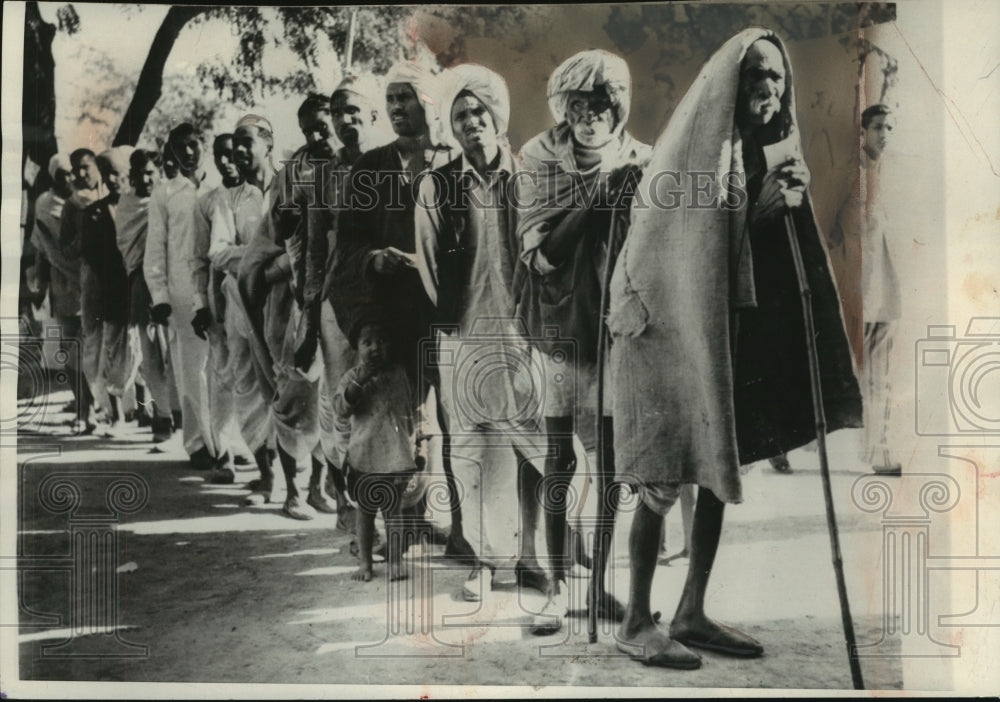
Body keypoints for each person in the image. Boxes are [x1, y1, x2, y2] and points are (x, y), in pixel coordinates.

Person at [606, 28, 862, 669]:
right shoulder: (694, 156)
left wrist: (783, 212)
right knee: (662, 475)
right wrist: (755, 213)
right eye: (755, 77)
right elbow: (678, 254)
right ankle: (637, 620)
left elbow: (767, 261)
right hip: (669, 337)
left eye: (776, 77)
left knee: (720, 467)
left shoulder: (767, 152)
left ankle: (690, 609)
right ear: (730, 86)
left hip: (724, 338)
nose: (768, 89)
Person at [517, 49, 649, 628]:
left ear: (618, 107)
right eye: (579, 104)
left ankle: (599, 588)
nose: (590, 115)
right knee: (558, 459)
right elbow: (541, 256)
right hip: (558, 326)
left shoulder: (643, 159)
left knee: (613, 465)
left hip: (617, 328)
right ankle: (552, 587)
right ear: (563, 108)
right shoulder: (538, 158)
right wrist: (597, 198)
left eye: (601, 103)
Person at [414, 64, 549, 603]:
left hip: (523, 335)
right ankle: (486, 564)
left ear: (498, 118)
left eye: (480, 112)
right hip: (464, 333)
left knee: (534, 442)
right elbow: (427, 265)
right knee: (470, 449)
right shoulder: (437, 185)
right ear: (451, 125)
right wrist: (451, 324)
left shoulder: (530, 176)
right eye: (461, 115)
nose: (472, 123)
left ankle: (533, 555)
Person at [328, 61, 463, 552]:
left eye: (405, 97)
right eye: (390, 99)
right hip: (387, 317)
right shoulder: (370, 168)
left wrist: (433, 266)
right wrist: (374, 260)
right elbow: (345, 248)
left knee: (448, 422)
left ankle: (462, 530)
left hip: (445, 313)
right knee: (393, 422)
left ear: (429, 101)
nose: (395, 108)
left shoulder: (454, 163)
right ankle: (397, 529)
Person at [293, 79, 388, 526]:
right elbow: (314, 250)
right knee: (339, 402)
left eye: (353, 111)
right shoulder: (323, 177)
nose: (344, 120)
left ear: (371, 115)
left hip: (385, 299)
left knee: (386, 397)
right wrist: (312, 313)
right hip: (337, 302)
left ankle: (393, 508)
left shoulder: (390, 165)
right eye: (337, 112)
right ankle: (347, 503)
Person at [829, 104, 901, 476]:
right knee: (831, 374)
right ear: (862, 132)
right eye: (877, 127)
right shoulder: (849, 176)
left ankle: (879, 449)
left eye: (889, 127)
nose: (885, 133)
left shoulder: (892, 176)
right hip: (852, 293)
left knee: (880, 377)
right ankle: (782, 443)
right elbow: (827, 227)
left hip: (886, 293)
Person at [144, 123, 219, 471]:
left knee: (223, 369)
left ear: (202, 144)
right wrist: (159, 294)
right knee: (192, 371)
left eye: (193, 145)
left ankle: (226, 443)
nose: (188, 153)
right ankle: (197, 443)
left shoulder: (220, 185)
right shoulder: (165, 193)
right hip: (182, 292)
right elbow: (155, 248)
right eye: (180, 147)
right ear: (171, 152)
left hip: (219, 290)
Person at [192, 132, 261, 485]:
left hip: (260, 299)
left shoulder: (259, 195)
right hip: (222, 298)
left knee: (254, 376)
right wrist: (201, 304)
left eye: (232, 154)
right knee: (222, 376)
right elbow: (200, 259)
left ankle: (254, 450)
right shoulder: (208, 202)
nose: (226, 161)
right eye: (219, 155)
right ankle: (224, 454)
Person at [334, 317, 416, 583]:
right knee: (366, 513)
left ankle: (395, 561)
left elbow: (410, 410)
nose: (375, 348)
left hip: (394, 456)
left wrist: (416, 443)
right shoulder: (351, 377)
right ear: (356, 347)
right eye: (367, 342)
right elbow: (341, 410)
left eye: (381, 341)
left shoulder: (399, 373)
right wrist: (358, 384)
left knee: (393, 514)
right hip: (365, 456)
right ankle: (365, 562)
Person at [115, 148, 179, 442]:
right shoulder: (126, 203)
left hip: (174, 278)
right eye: (139, 173)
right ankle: (162, 416)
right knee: (149, 350)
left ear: (160, 172)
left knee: (177, 350)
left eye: (151, 172)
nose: (145, 178)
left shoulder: (169, 196)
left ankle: (181, 413)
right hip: (141, 282)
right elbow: (125, 243)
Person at [80, 148, 139, 432]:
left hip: (141, 289)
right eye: (108, 175)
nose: (114, 180)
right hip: (112, 291)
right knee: (113, 351)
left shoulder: (143, 205)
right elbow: (92, 255)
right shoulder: (95, 213)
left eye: (119, 173)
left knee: (145, 351)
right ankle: (116, 414)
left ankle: (152, 412)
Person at [33, 153, 91, 426]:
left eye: (71, 173)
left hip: (90, 281)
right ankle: (82, 409)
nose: (68, 178)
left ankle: (102, 407)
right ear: (53, 176)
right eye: (62, 174)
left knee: (95, 347)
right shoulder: (43, 204)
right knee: (69, 349)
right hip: (63, 286)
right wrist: (40, 287)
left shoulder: (82, 200)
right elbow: (42, 250)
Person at [57, 148, 107, 433]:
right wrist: (83, 240)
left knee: (112, 346)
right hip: (85, 283)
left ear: (97, 167)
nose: (81, 174)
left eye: (86, 167)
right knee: (84, 350)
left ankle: (117, 412)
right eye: (76, 170)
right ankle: (85, 412)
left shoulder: (112, 195)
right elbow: (64, 248)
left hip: (114, 280)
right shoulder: (72, 205)